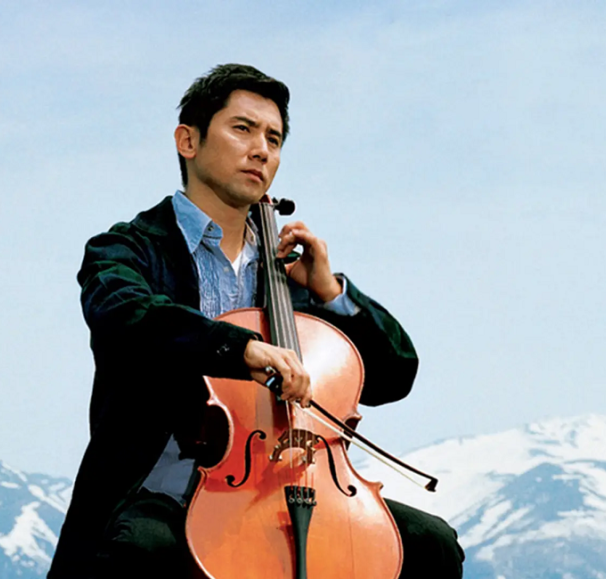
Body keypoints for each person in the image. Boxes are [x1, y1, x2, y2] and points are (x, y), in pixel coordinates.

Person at [48, 63, 463, 578]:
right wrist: (240, 348)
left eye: (274, 138)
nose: (262, 149)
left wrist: (330, 292)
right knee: (142, 550)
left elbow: (394, 375)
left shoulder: (287, 276)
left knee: (431, 544)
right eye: (242, 129)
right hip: (161, 492)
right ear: (188, 141)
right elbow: (126, 314)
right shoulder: (128, 249)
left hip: (288, 486)